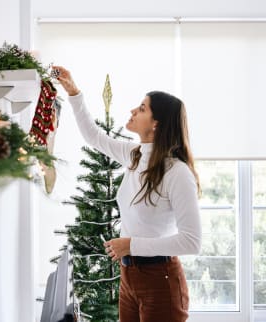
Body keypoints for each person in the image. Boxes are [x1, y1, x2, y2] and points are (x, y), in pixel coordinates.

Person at [53, 66, 202, 322]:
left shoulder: (177, 173)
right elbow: (94, 137)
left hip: (160, 280)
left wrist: (131, 245)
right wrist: (74, 92)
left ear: (156, 124)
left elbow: (192, 242)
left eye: (142, 108)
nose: (133, 110)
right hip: (129, 277)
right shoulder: (135, 155)